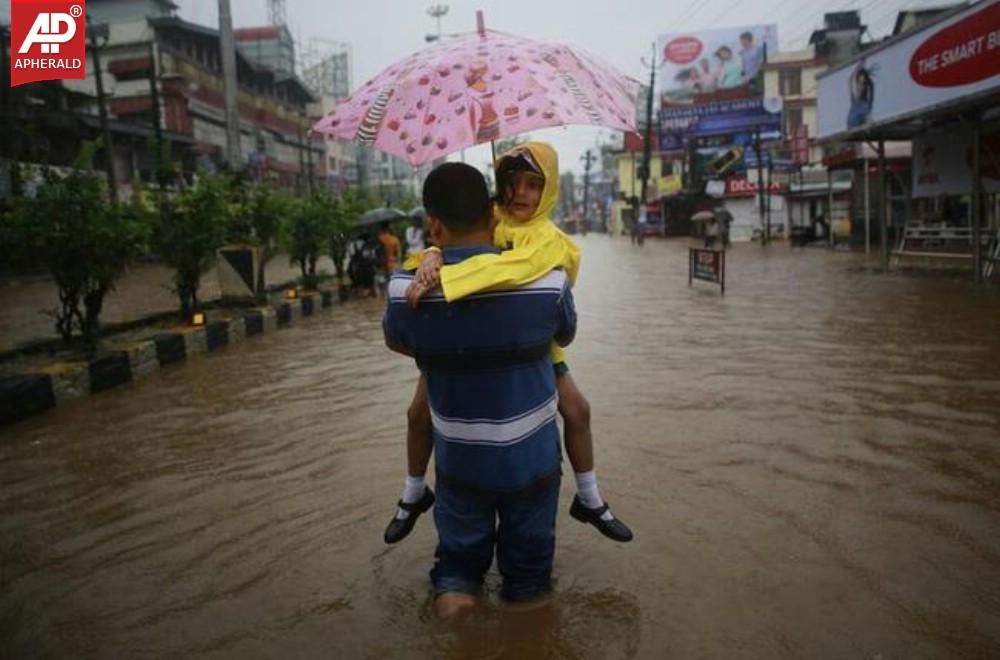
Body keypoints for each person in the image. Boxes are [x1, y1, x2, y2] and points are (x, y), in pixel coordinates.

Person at [383, 142, 633, 547]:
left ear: (549, 190)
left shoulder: (549, 241)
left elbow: (514, 271)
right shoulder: (491, 218)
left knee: (577, 410)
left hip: (533, 345)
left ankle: (589, 495)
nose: (520, 193)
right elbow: (453, 236)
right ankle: (413, 490)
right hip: (464, 341)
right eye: (511, 182)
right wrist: (432, 254)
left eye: (533, 184)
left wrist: (448, 274)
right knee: (417, 415)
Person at [383, 162, 575, 617]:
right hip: (532, 466)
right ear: (494, 214)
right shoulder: (547, 281)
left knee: (455, 578)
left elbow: (399, 343)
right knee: (529, 586)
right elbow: (563, 337)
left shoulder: (404, 293)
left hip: (460, 465)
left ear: (432, 224)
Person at [347, 231, 380, 298]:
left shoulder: (353, 244)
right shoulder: (370, 245)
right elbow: (373, 257)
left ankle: (362, 294)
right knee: (371, 286)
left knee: (361, 287)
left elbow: (351, 256)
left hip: (358, 268)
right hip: (368, 267)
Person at [377, 223, 402, 293]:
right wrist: (398, 261)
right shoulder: (394, 239)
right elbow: (398, 253)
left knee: (385, 280)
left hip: (382, 263)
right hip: (392, 262)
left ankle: (385, 292)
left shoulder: (379, 239)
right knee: (393, 279)